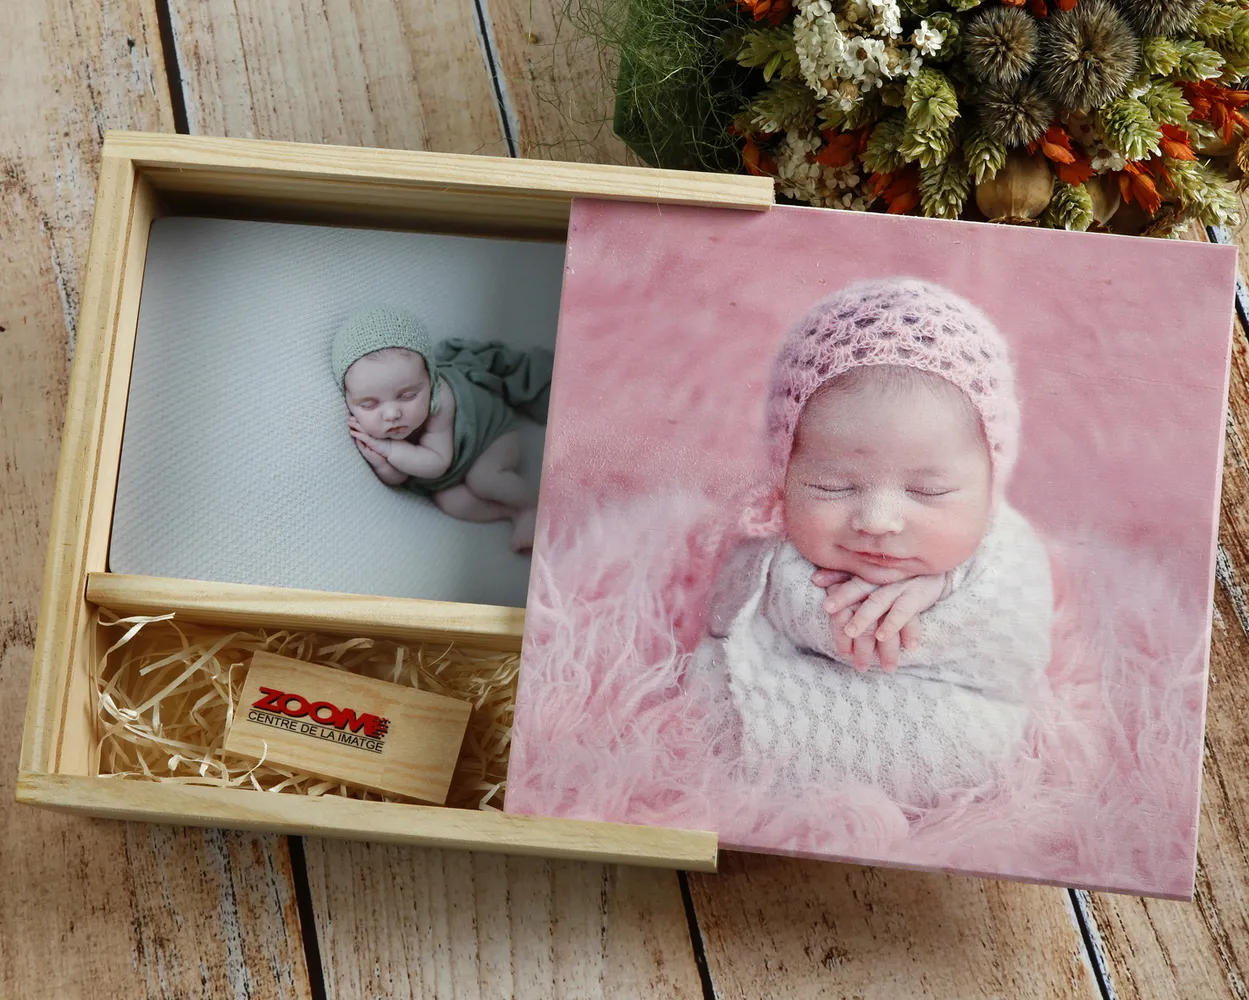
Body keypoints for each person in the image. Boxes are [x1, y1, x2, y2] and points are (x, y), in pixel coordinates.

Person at [692, 277, 1053, 808]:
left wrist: (947, 588)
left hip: (949, 710)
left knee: (977, 752)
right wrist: (829, 608)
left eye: (927, 491)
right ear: (785, 473)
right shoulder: (776, 536)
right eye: (833, 486)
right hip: (795, 685)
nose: (879, 520)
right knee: (709, 685)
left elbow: (1016, 644)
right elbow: (735, 608)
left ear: (989, 484)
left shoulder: (1006, 548)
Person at [331, 305, 553, 552]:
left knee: (483, 478)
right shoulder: (374, 428)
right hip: (445, 470)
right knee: (451, 501)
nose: (392, 414)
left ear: (431, 379)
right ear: (349, 400)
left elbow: (437, 462)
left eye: (407, 395)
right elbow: (399, 476)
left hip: (492, 437)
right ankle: (511, 513)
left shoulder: (441, 401)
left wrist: (387, 448)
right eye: (369, 404)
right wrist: (381, 462)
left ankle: (532, 507)